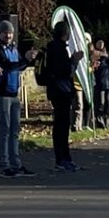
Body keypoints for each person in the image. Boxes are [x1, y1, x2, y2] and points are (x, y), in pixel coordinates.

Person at [40, 17, 80, 172]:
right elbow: (66, 71)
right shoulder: (60, 49)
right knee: (62, 125)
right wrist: (74, 61)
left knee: (61, 124)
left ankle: (64, 157)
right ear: (66, 34)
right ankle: (62, 158)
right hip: (61, 90)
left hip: (55, 89)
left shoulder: (51, 47)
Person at [0, 17, 28, 176]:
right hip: (2, 93)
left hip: (13, 92)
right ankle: (4, 163)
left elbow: (20, 65)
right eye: (5, 33)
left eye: (10, 33)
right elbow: (7, 65)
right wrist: (24, 61)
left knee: (15, 130)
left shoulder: (13, 48)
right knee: (4, 129)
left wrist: (27, 60)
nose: (8, 36)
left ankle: (16, 162)